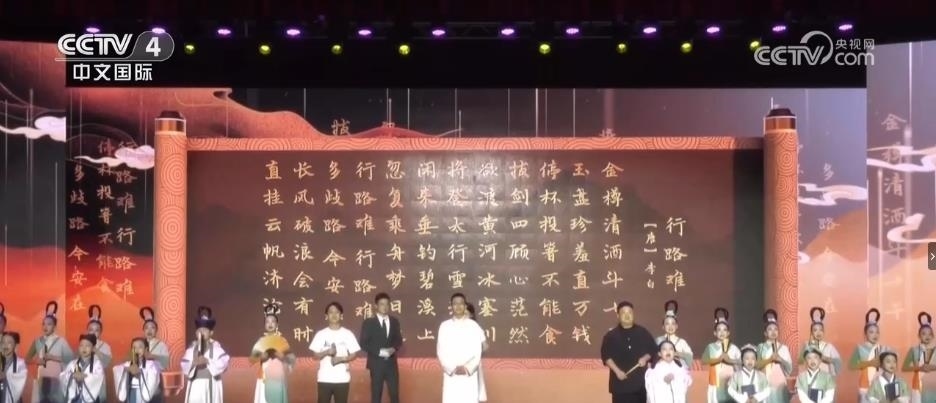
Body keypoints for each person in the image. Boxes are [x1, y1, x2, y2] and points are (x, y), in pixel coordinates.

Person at [599, 301, 657, 403]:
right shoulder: (611, 335)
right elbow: (606, 356)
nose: (627, 315)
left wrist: (645, 358)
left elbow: (653, 349)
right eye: (623, 313)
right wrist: (617, 371)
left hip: (640, 385)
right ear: (618, 315)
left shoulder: (642, 332)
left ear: (633, 314)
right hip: (620, 384)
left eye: (629, 312)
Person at [436, 293, 485, 403]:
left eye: (461, 303)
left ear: (465, 306)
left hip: (469, 375)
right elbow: (440, 351)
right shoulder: (444, 326)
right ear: (451, 306)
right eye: (455, 304)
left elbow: (478, 351)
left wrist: (467, 368)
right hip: (451, 375)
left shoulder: (473, 326)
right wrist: (452, 368)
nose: (458, 306)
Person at [310, 302, 361, 403]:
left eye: (337, 312)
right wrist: (327, 352)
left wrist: (342, 359)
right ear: (326, 316)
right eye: (331, 312)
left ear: (341, 315)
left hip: (342, 378)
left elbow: (354, 354)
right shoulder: (321, 334)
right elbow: (315, 356)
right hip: (324, 378)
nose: (334, 315)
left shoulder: (348, 334)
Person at [180, 306, 230, 403]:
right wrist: (193, 363)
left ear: (211, 333)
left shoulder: (217, 349)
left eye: (205, 330)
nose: (201, 333)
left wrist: (207, 361)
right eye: (199, 330)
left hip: (211, 384)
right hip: (195, 385)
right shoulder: (191, 350)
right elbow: (184, 364)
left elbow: (224, 362)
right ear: (196, 333)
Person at [359, 293, 402, 403]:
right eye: (382, 304)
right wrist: (379, 352)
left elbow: (398, 340)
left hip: (391, 365)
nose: (385, 307)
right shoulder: (369, 323)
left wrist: (393, 349)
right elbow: (363, 343)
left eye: (387, 304)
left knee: (394, 395)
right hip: (376, 364)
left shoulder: (394, 321)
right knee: (376, 395)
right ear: (376, 306)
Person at [27, 301, 73, 403]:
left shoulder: (61, 341)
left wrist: (53, 357)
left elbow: (71, 359)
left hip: (56, 379)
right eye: (43, 324)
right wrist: (36, 361)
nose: (45, 327)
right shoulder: (38, 341)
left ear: (55, 326)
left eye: (49, 324)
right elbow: (27, 359)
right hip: (41, 378)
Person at [250, 304, 294, 403]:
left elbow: (289, 361)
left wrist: (281, 357)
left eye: (273, 321)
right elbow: (252, 359)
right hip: (263, 377)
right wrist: (262, 357)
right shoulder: (260, 341)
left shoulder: (282, 341)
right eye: (267, 322)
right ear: (264, 325)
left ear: (277, 324)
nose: (270, 324)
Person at [851, 308, 892, 403]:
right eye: (871, 332)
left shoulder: (883, 349)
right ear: (865, 334)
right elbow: (852, 365)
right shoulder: (860, 349)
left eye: (877, 332)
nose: (875, 335)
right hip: (864, 387)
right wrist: (870, 363)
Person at [702, 307, 741, 403]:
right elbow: (704, 361)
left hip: (730, 380)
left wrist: (730, 361)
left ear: (728, 333)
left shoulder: (734, 348)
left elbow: (741, 363)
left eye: (724, 330)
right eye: (719, 330)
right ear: (715, 333)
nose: (722, 332)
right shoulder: (710, 347)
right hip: (715, 382)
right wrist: (718, 359)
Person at [756, 309, 792, 403]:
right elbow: (757, 365)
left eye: (775, 329)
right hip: (766, 384)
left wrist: (781, 360)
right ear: (765, 333)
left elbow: (789, 369)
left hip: (780, 385)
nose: (773, 332)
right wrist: (770, 359)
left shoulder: (784, 348)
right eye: (770, 329)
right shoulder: (761, 347)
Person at [113, 337, 161, 402]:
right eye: (134, 347)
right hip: (130, 391)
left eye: (140, 347)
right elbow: (116, 369)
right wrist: (127, 369)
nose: (137, 350)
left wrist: (140, 372)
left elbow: (153, 375)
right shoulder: (128, 364)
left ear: (146, 349)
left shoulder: (151, 364)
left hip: (144, 392)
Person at [60, 334, 105, 403]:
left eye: (87, 346)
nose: (84, 348)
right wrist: (72, 376)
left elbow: (98, 378)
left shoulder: (97, 364)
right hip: (75, 398)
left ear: (93, 348)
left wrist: (85, 376)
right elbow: (63, 376)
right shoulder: (72, 364)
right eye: (81, 345)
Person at [903, 312, 935, 403]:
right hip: (918, 385)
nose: (927, 336)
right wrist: (920, 368)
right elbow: (904, 368)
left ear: (933, 336)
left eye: (930, 334)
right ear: (919, 335)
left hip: (932, 386)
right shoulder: (914, 350)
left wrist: (932, 367)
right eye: (924, 334)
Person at [800, 307, 842, 376]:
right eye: (815, 330)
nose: (818, 332)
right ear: (811, 332)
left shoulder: (829, 347)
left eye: (821, 330)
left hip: (825, 379)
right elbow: (801, 361)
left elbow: (838, 362)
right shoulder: (807, 345)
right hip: (811, 378)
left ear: (824, 331)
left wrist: (826, 359)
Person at [655, 301, 693, 367]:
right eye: (667, 324)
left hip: (678, 370)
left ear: (676, 326)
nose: (670, 326)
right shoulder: (658, 340)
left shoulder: (682, 342)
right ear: (663, 327)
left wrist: (676, 354)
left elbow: (690, 357)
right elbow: (653, 356)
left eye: (673, 323)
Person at [85, 306, 111, 402]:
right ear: (87, 331)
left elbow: (107, 363)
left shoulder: (106, 346)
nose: (93, 332)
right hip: (86, 381)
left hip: (99, 382)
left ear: (100, 332)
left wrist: (96, 350)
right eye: (91, 330)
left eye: (96, 330)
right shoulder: (83, 345)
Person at [465, 303, 489, 402]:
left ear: (471, 314)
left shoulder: (476, 328)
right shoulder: (452, 327)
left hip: (472, 365)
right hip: (456, 366)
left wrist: (474, 355)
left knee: (472, 392)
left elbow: (485, 346)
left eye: (465, 313)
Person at [1, 331, 28, 403]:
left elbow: (20, 380)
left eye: (9, 342)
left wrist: (5, 375)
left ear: (16, 346)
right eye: (3, 342)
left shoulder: (20, 363)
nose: (5, 345)